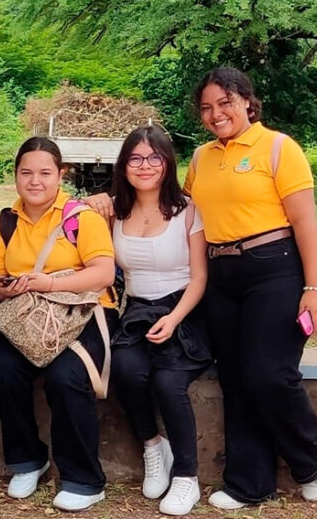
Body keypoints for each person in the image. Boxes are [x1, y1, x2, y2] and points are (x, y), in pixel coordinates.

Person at [87, 68, 317, 509]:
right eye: (206, 107)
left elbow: (305, 222)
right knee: (236, 380)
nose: (215, 113)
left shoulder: (278, 148)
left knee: (269, 373)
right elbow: (164, 202)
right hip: (222, 273)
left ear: (246, 102)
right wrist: (107, 198)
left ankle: (313, 452)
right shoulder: (202, 158)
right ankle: (249, 483)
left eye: (225, 103)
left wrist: (314, 284)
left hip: (274, 267)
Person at [0, 137, 117, 512]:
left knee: (65, 375)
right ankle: (28, 460)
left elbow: (103, 273)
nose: (35, 181)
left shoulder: (80, 218)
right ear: (15, 176)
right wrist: (7, 289)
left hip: (83, 312)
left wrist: (51, 283)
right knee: (4, 368)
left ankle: (84, 479)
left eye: (45, 172)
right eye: (26, 172)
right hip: (27, 315)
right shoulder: (5, 222)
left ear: (61, 175)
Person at [107, 125, 210, 516]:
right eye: (135, 158)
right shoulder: (114, 210)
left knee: (169, 381)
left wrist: (174, 317)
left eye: (155, 157)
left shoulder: (188, 210)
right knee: (127, 370)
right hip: (136, 309)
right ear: (124, 164)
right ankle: (153, 448)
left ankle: (187, 477)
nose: (145, 165)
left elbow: (200, 278)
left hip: (185, 308)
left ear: (168, 163)